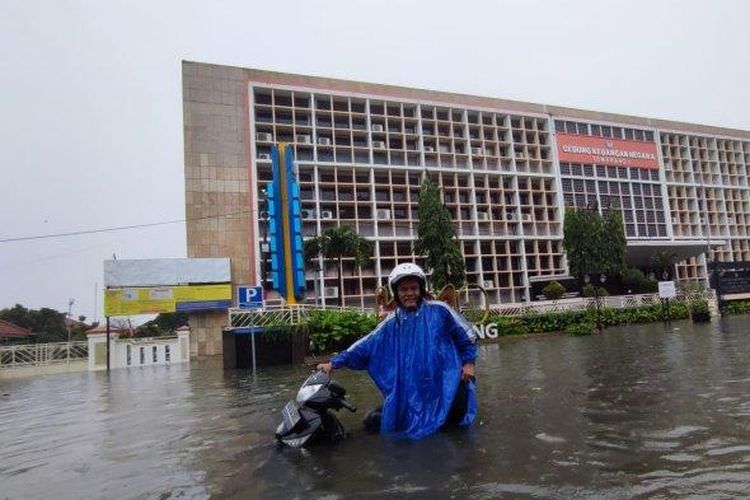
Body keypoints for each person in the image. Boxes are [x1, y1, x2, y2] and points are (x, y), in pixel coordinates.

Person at [317, 263, 478, 439]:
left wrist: (469, 363)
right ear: (396, 292)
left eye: (414, 288)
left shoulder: (440, 310)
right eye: (403, 289)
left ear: (421, 289)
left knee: (456, 429)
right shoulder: (391, 322)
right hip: (415, 388)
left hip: (448, 382)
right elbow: (363, 346)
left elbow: (467, 335)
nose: (409, 293)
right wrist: (333, 363)